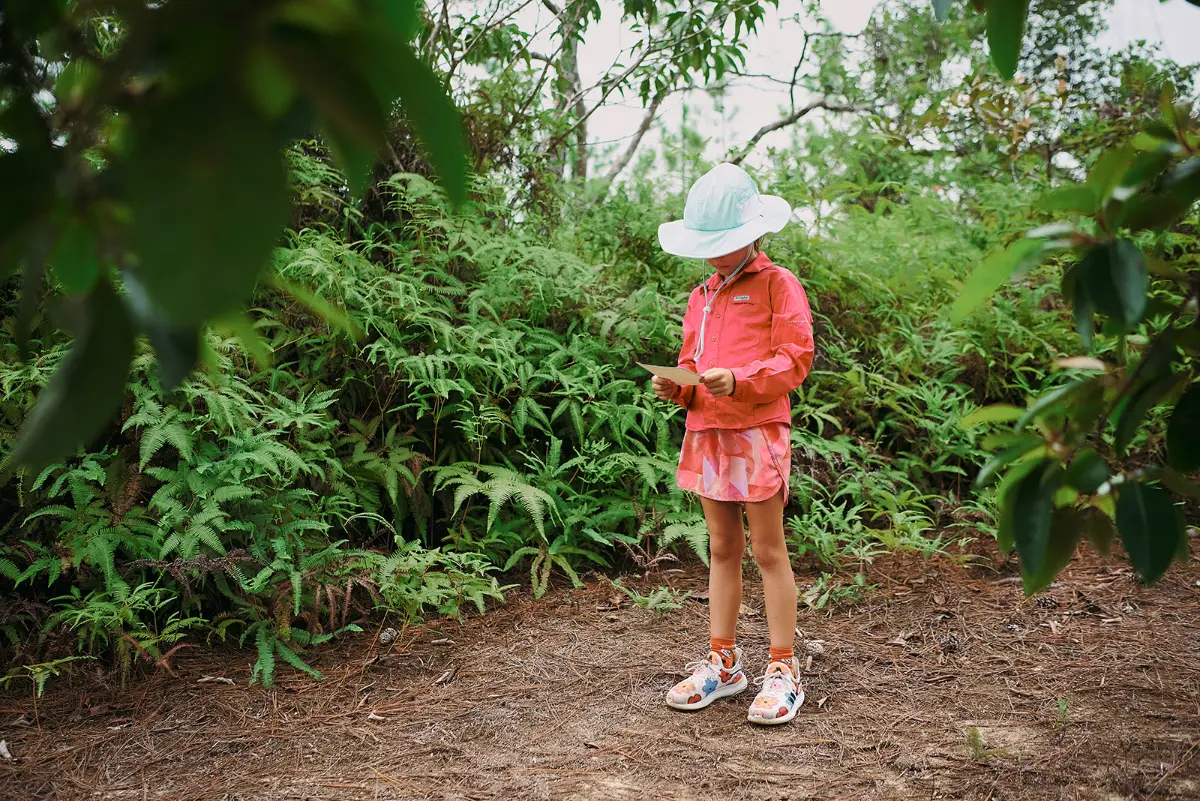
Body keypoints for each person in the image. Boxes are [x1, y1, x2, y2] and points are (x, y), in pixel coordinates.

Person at [652, 163, 815, 725]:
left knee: (768, 549)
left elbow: (795, 359)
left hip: (757, 431)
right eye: (708, 245)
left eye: (723, 243)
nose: (714, 255)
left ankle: (783, 668)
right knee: (722, 548)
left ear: (754, 235)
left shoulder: (777, 284)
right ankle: (724, 664)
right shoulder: (701, 296)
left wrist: (741, 380)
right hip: (707, 431)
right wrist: (678, 385)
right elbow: (691, 363)